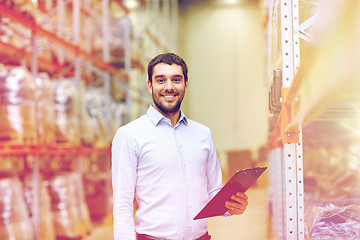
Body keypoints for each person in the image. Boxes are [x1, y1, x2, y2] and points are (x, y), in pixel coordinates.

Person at [112, 53, 248, 240]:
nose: (169, 87)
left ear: (186, 84)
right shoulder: (129, 135)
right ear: (149, 85)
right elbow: (122, 205)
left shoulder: (203, 134)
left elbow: (213, 192)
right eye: (161, 80)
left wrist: (232, 206)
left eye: (176, 79)